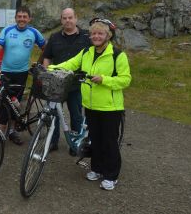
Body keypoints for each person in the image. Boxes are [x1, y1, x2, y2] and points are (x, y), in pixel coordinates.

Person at [49, 18, 131, 191]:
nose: (96, 36)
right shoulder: (86, 52)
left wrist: (104, 80)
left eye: (100, 33)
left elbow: (125, 80)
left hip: (110, 107)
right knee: (95, 139)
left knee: (109, 141)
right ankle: (97, 168)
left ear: (108, 35)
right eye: (93, 33)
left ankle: (111, 176)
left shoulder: (117, 55)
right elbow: (71, 64)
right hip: (91, 105)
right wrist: (51, 68)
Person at [0, 6, 46, 145]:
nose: (22, 19)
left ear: (29, 19)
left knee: (15, 104)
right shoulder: (7, 30)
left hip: (22, 74)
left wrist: (40, 63)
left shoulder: (34, 32)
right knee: (5, 102)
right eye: (19, 16)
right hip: (6, 73)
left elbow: (45, 48)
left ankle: (11, 131)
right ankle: (0, 132)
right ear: (16, 18)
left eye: (24, 17)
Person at [42, 8, 91, 153]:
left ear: (76, 18)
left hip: (76, 84)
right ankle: (53, 141)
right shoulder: (54, 37)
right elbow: (47, 57)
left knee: (76, 115)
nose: (68, 20)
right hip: (57, 84)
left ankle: (75, 142)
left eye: (70, 17)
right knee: (53, 115)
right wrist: (46, 76)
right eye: (64, 18)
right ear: (61, 20)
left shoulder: (86, 37)